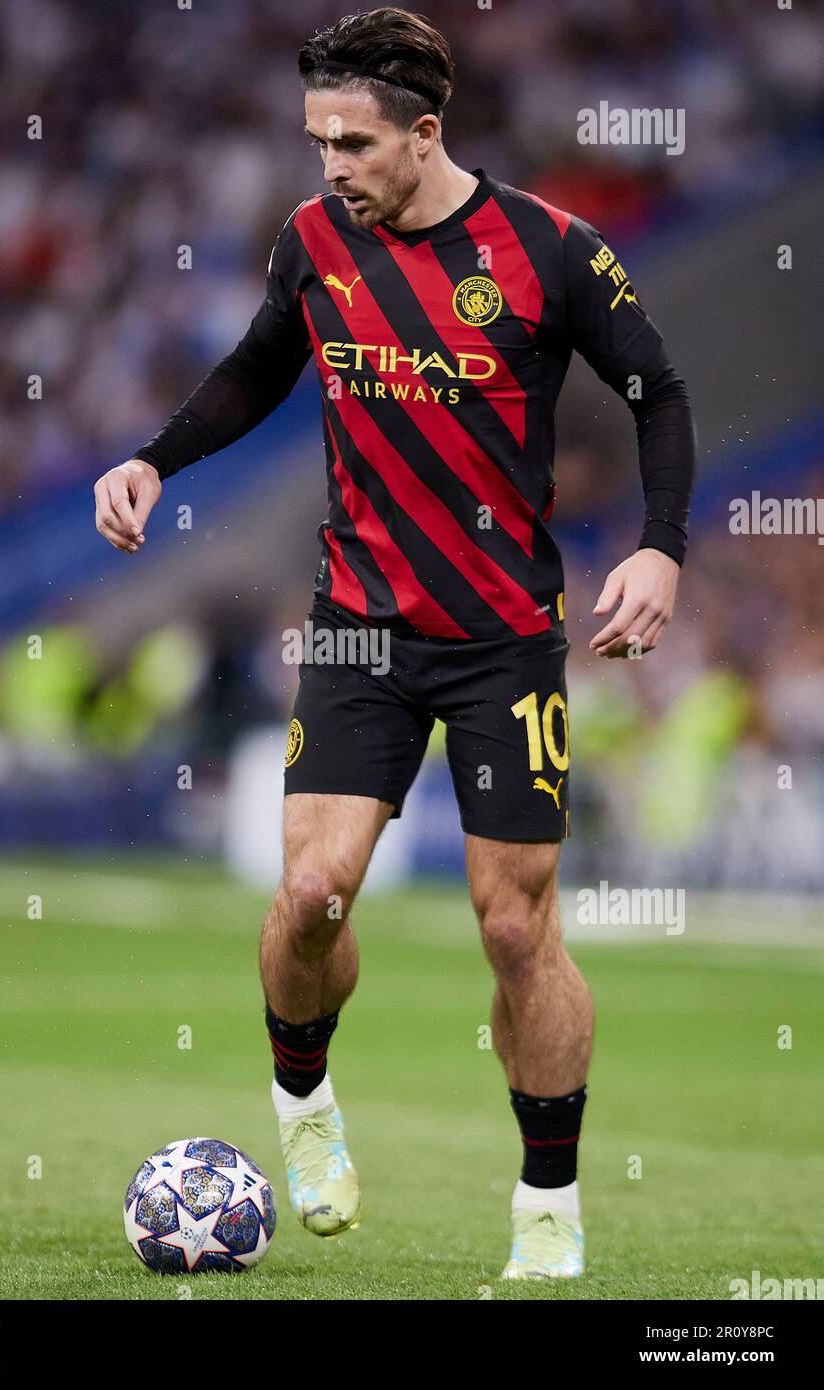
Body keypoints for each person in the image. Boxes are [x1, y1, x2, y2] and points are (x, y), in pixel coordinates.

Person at [94, 7, 695, 1279]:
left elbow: (660, 391)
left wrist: (660, 545)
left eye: (356, 144)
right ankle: (305, 1108)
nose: (332, 168)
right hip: (360, 626)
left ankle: (547, 1206)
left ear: (426, 135)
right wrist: (155, 458)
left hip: (502, 641)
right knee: (311, 892)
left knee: (516, 930)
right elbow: (262, 367)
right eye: (317, 141)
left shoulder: (550, 253)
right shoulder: (314, 243)